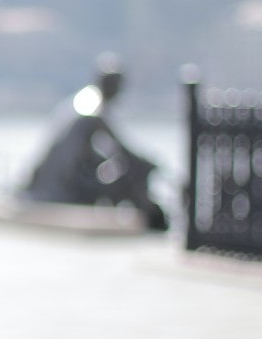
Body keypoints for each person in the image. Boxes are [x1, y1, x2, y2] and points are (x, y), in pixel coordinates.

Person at [21, 55, 167, 230]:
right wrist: (147, 162)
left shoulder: (83, 100)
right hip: (62, 185)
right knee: (125, 177)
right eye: (115, 84)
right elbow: (120, 149)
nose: (117, 90)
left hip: (59, 178)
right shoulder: (92, 109)